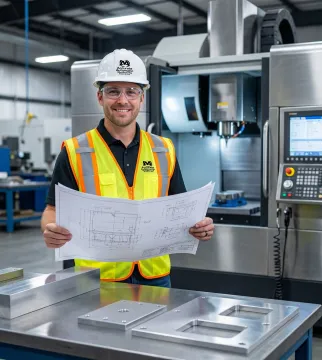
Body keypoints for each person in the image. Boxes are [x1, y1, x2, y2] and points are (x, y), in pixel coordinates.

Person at [41, 48, 215, 288]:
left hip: (155, 277)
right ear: (100, 97)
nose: (123, 100)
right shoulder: (74, 151)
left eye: (131, 91)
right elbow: (52, 210)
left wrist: (200, 226)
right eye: (113, 91)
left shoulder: (164, 150)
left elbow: (181, 211)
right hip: (96, 279)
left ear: (141, 98)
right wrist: (50, 231)